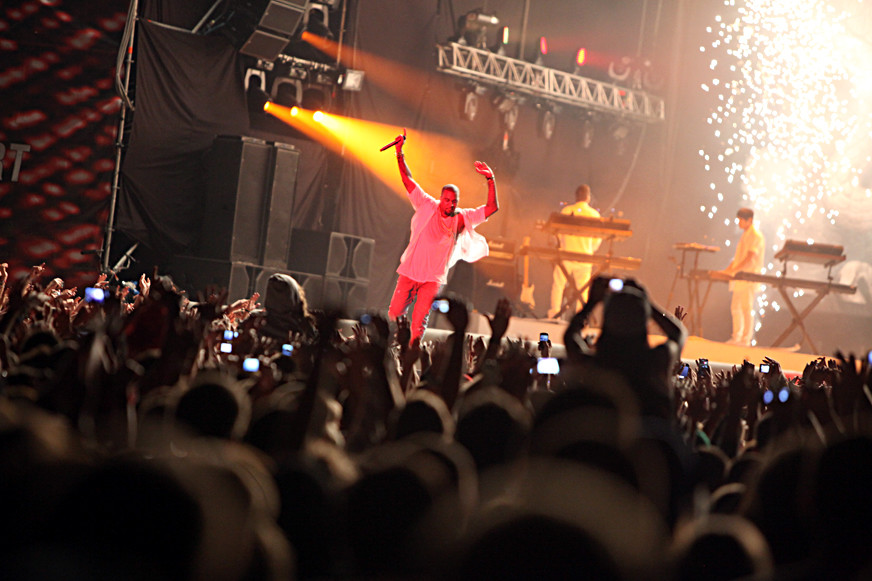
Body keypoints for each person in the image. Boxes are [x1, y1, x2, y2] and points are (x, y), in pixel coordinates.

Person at [387, 133, 499, 342]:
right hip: (410, 272)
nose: (450, 204)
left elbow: (492, 208)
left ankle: (411, 356)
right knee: (394, 315)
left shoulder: (462, 218)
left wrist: (490, 179)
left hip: (432, 279)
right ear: (441, 198)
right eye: (446, 200)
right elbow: (407, 180)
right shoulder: (427, 205)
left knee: (419, 323)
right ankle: (392, 352)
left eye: (453, 201)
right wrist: (399, 153)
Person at [547, 184, 602, 319]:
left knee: (558, 284)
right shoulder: (594, 215)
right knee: (583, 289)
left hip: (566, 255)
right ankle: (580, 318)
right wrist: (591, 249)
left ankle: (555, 313)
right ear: (588, 197)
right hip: (585, 257)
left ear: (576, 196)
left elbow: (557, 234)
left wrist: (563, 245)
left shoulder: (567, 211)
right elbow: (598, 239)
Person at [718, 207, 765, 346]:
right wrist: (728, 270)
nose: (738, 223)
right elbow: (739, 258)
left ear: (749, 220)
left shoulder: (755, 235)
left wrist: (735, 270)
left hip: (748, 276)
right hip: (740, 277)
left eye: (740, 220)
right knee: (736, 307)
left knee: (746, 307)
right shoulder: (745, 235)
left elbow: (750, 257)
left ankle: (745, 339)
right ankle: (737, 337)